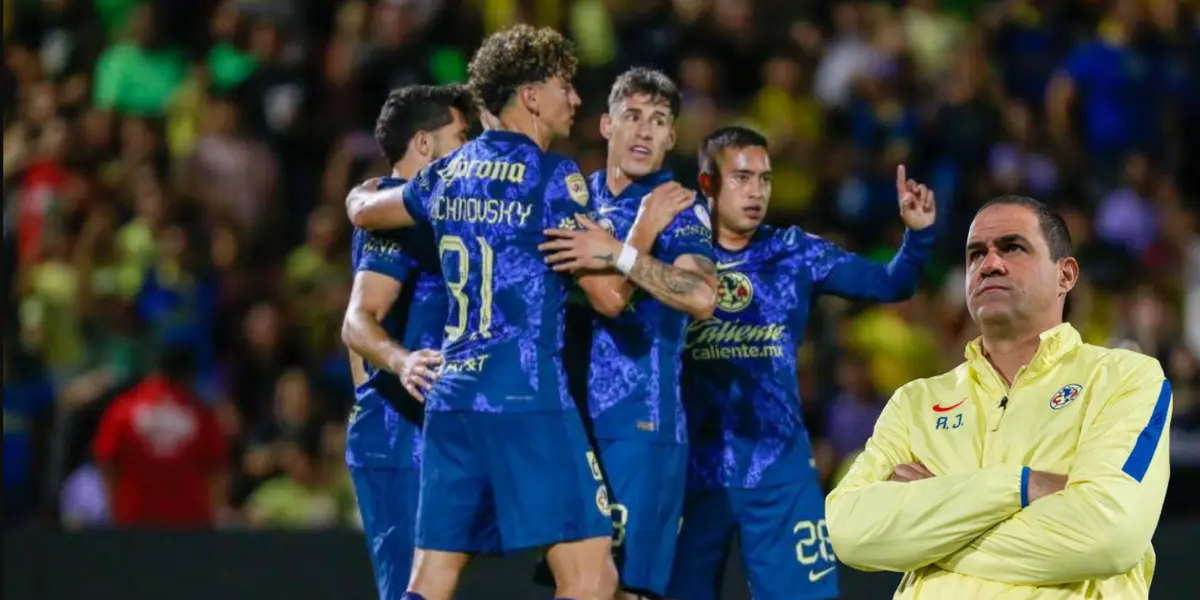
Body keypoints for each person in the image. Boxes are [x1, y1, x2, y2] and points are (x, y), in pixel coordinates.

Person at [344, 25, 624, 600]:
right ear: (529, 97)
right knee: (592, 577)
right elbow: (609, 299)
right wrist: (628, 249)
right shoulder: (555, 176)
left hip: (453, 397)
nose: (574, 100)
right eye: (564, 87)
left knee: (429, 580)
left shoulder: (446, 173)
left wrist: (355, 197)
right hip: (528, 395)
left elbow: (367, 211)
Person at [826, 195, 1172, 599]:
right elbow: (848, 530)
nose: (989, 263)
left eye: (1012, 247)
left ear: (1066, 275)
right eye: (975, 254)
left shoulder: (1124, 378)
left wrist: (934, 525)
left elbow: (1110, 533)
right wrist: (1020, 486)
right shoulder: (915, 402)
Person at [667, 127, 937, 600]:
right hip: (692, 460)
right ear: (707, 184)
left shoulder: (793, 250)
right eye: (742, 178)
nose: (756, 192)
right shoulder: (669, 252)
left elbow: (889, 284)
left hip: (778, 463)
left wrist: (917, 238)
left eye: (765, 179)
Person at [538, 66, 717, 600]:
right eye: (632, 116)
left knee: (628, 591)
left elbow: (702, 295)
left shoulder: (679, 209)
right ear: (605, 125)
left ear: (671, 138)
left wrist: (619, 251)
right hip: (570, 424)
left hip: (640, 425)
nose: (644, 130)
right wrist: (633, 240)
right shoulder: (574, 199)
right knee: (578, 584)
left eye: (658, 120)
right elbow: (608, 297)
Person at [341, 84, 471, 600]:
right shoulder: (394, 220)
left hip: (450, 422)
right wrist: (402, 361)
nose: (471, 151)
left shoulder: (396, 206)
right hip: (399, 429)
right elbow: (356, 320)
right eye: (461, 137)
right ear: (423, 143)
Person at [92, 343, 228, 527]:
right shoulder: (202, 416)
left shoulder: (123, 410)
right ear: (189, 375)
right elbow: (217, 472)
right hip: (190, 527)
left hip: (134, 524)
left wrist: (115, 511)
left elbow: (106, 463)